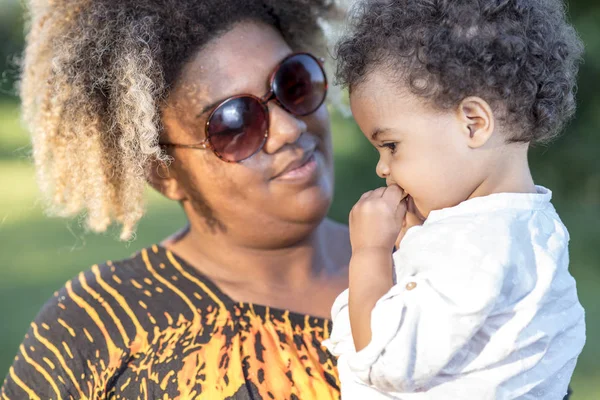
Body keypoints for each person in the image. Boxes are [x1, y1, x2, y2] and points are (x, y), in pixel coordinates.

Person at [1, 1, 352, 398]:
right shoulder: (96, 326)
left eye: (293, 83)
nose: (289, 128)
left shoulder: (416, 263)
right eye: (235, 122)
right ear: (165, 174)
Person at [323, 0, 586, 399]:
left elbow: (384, 357)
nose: (382, 168)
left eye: (391, 145)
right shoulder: (534, 230)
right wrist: (413, 247)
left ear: (474, 123)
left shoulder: (473, 247)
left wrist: (370, 253)